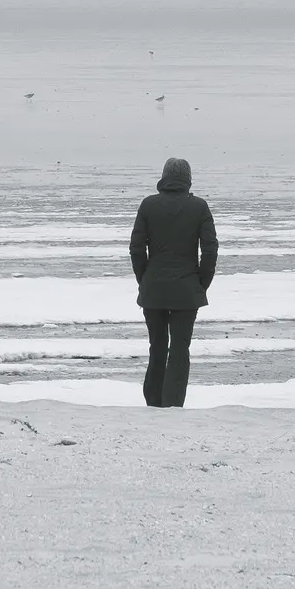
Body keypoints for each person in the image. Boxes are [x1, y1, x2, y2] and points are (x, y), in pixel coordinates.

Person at [128, 156, 217, 406]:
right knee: (179, 350)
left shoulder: (148, 205)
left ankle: (153, 403)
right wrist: (201, 284)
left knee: (157, 347)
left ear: (164, 177)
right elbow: (210, 250)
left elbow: (136, 249)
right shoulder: (199, 207)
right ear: (188, 179)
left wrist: (144, 279)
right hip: (186, 290)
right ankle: (173, 404)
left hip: (154, 288)